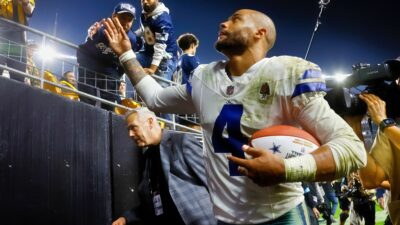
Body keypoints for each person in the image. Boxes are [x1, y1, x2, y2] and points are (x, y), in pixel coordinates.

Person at [103, 9, 366, 224]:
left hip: (280, 215)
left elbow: (353, 150)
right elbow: (155, 99)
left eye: (235, 19)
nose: (223, 22)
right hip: (226, 220)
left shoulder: (285, 74)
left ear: (259, 33)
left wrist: (286, 169)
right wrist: (126, 54)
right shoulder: (205, 78)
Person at [112, 108, 216, 225]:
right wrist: (126, 218)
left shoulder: (182, 141)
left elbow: (214, 182)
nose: (130, 134)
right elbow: (150, 202)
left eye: (133, 127)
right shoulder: (147, 157)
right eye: (128, 130)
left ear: (150, 122)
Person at [77, 2, 138, 111]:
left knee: (111, 105)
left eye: (129, 20)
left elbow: (127, 60)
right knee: (86, 101)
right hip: (89, 64)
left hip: (109, 69)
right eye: (122, 18)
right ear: (114, 16)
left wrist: (118, 77)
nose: (125, 23)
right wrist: (93, 33)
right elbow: (95, 33)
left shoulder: (132, 40)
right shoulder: (103, 27)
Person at [357, 91, 400, 224]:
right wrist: (355, 130)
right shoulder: (391, 127)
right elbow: (371, 180)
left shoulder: (388, 126)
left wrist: (384, 123)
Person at [134, 0, 178, 87]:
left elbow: (160, 47)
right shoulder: (145, 13)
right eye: (143, 0)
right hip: (149, 53)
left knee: (160, 92)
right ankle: (131, 95)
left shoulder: (163, 19)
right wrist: (130, 35)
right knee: (128, 61)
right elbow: (144, 29)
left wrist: (152, 69)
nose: (145, 2)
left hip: (165, 57)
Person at [0, 0, 35, 82]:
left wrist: (25, 2)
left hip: (18, 33)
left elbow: (30, 11)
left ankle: (16, 91)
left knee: (18, 73)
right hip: (1, 29)